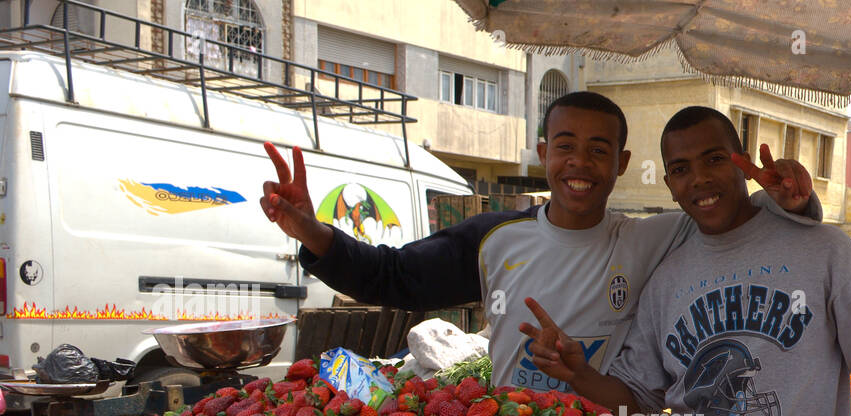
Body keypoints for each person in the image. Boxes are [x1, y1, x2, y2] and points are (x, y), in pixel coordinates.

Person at [520, 107, 851, 416]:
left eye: (714, 159)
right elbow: (637, 397)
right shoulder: (665, 280)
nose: (700, 179)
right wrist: (579, 373)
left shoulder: (825, 251)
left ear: (742, 163)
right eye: (681, 169)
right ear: (671, 185)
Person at [260, 91, 820, 392]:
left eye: (600, 150)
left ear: (622, 163)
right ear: (542, 152)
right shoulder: (494, 238)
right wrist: (311, 230)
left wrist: (794, 196)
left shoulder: (658, 237)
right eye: (566, 145)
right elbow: (392, 276)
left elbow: (738, 216)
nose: (581, 162)